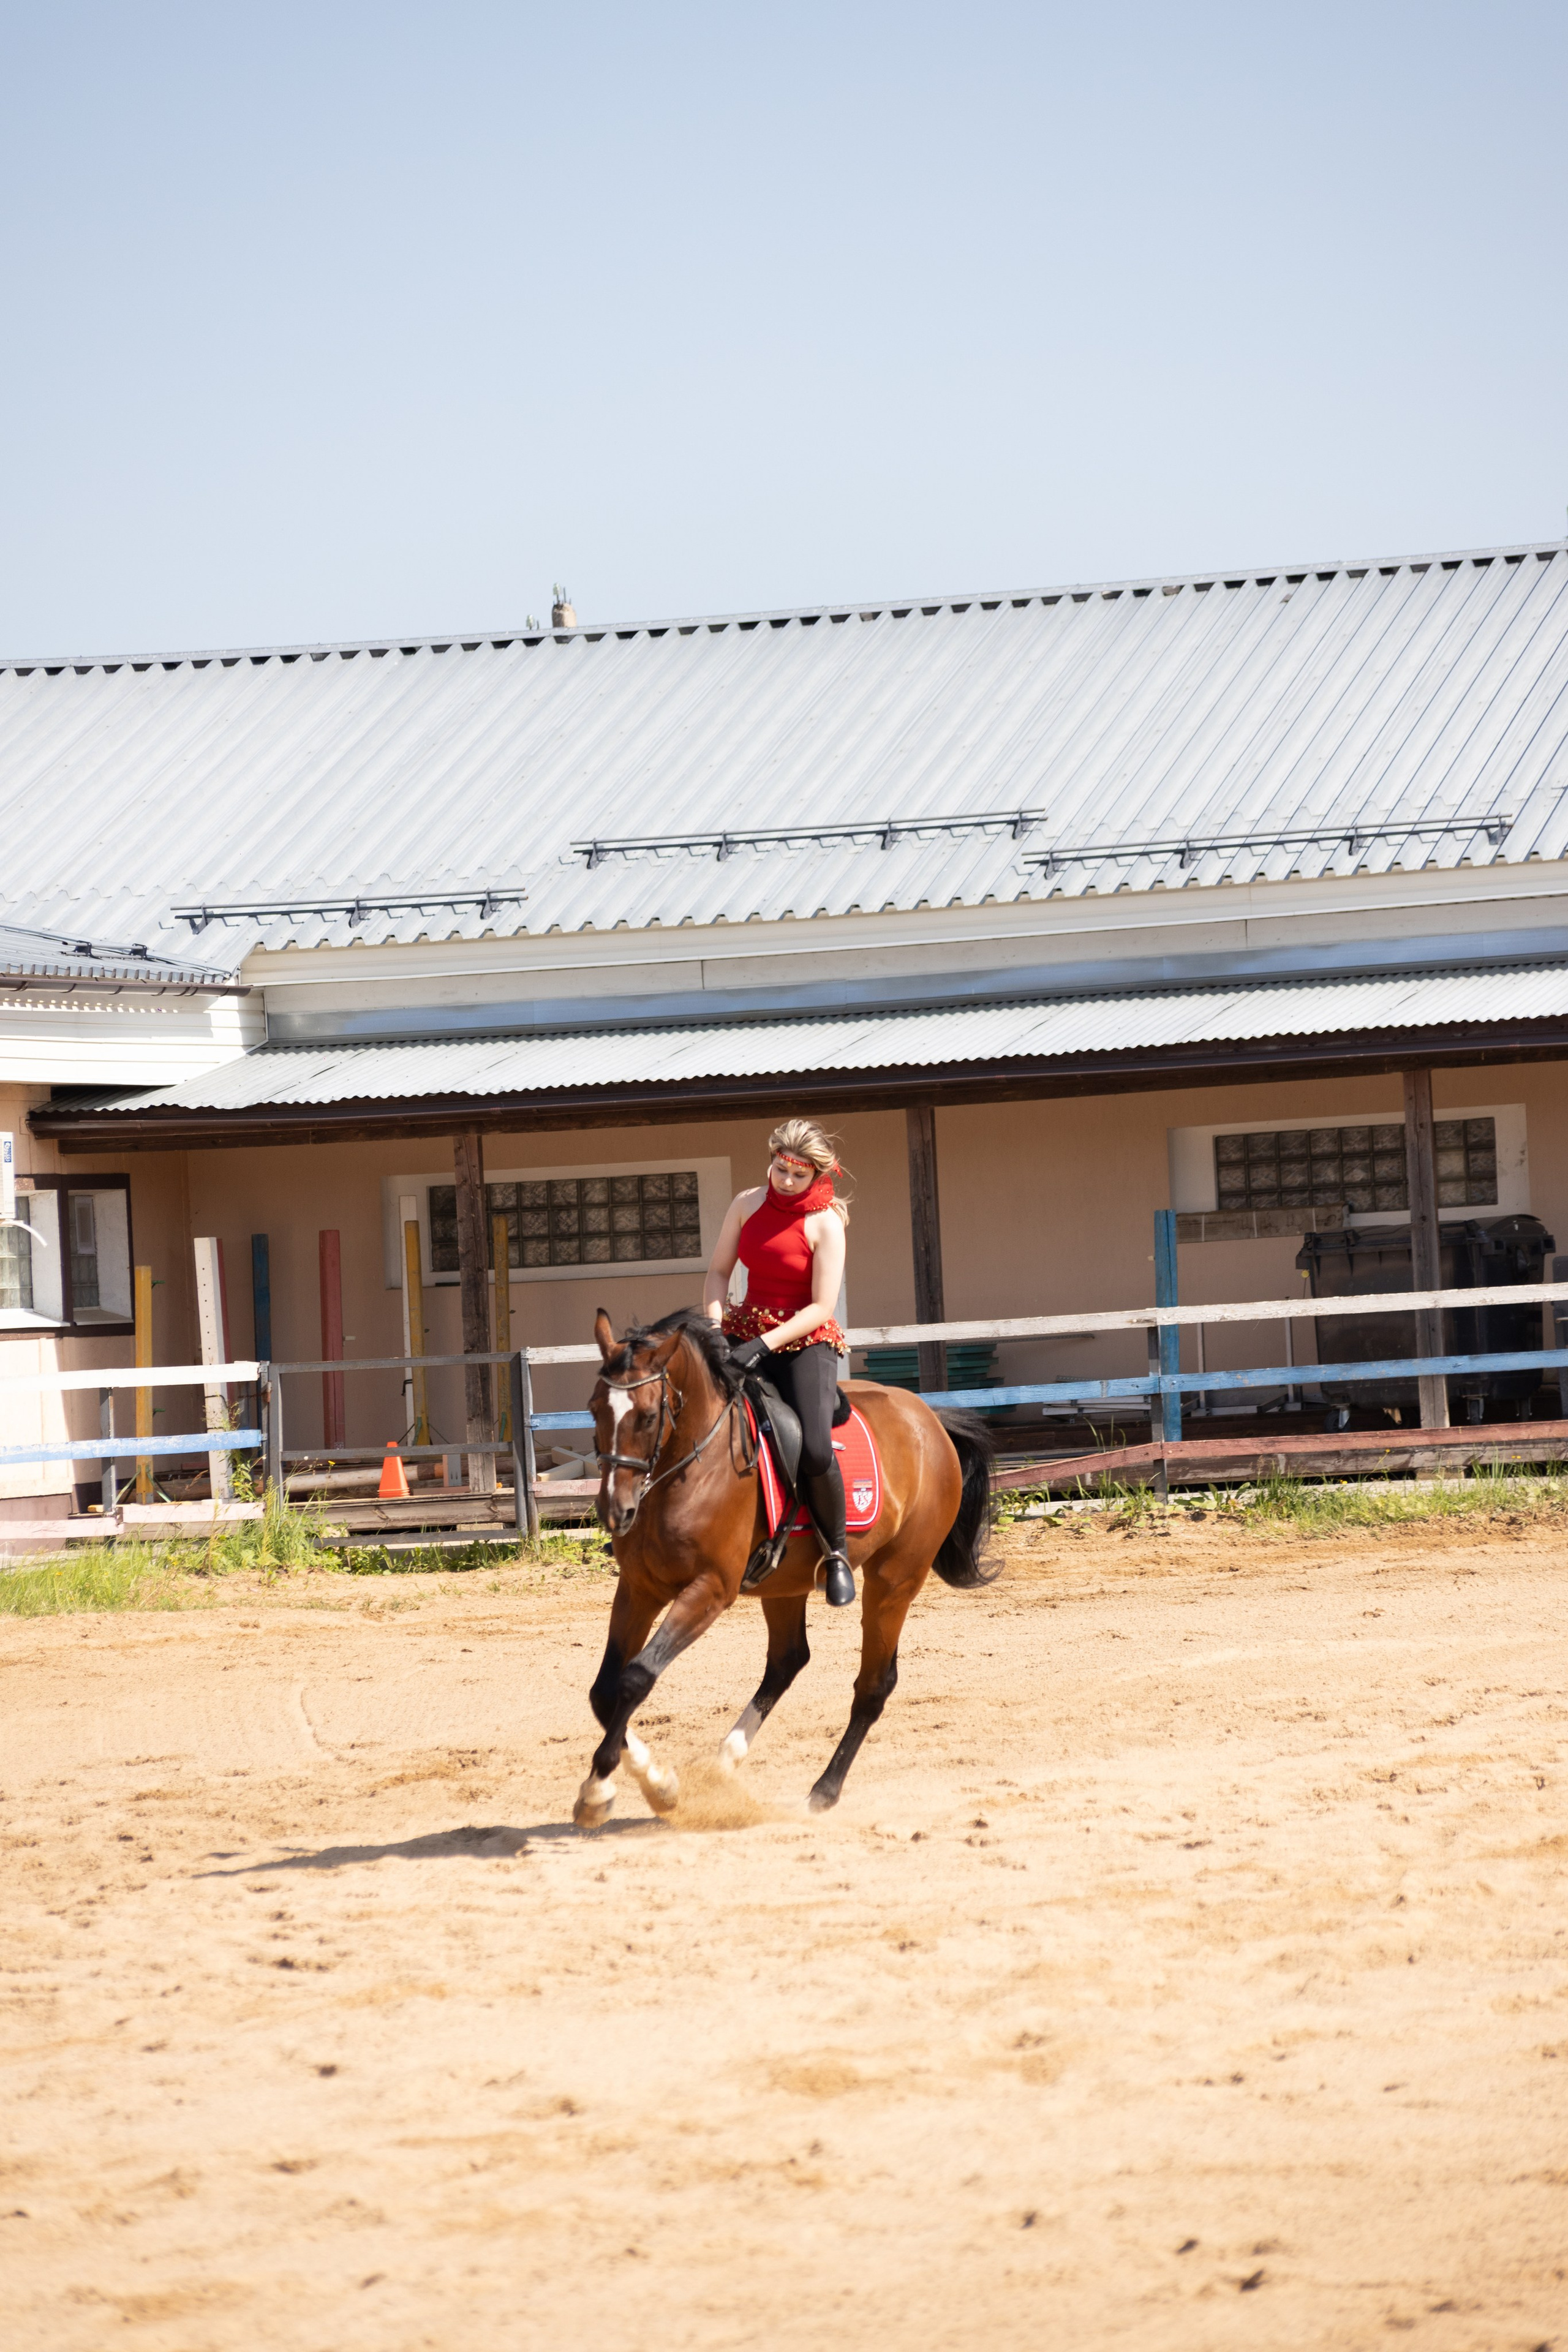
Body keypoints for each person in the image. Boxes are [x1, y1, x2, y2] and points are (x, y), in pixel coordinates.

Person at [703, 1118, 854, 1607]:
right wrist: (714, 1327)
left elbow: (821, 1308)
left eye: (798, 1176)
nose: (785, 1182)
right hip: (742, 1329)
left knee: (813, 1447)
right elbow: (719, 1272)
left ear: (817, 1175)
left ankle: (836, 1554)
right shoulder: (746, 1204)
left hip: (804, 1339)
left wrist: (763, 1347)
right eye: (780, 1170)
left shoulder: (826, 1223)